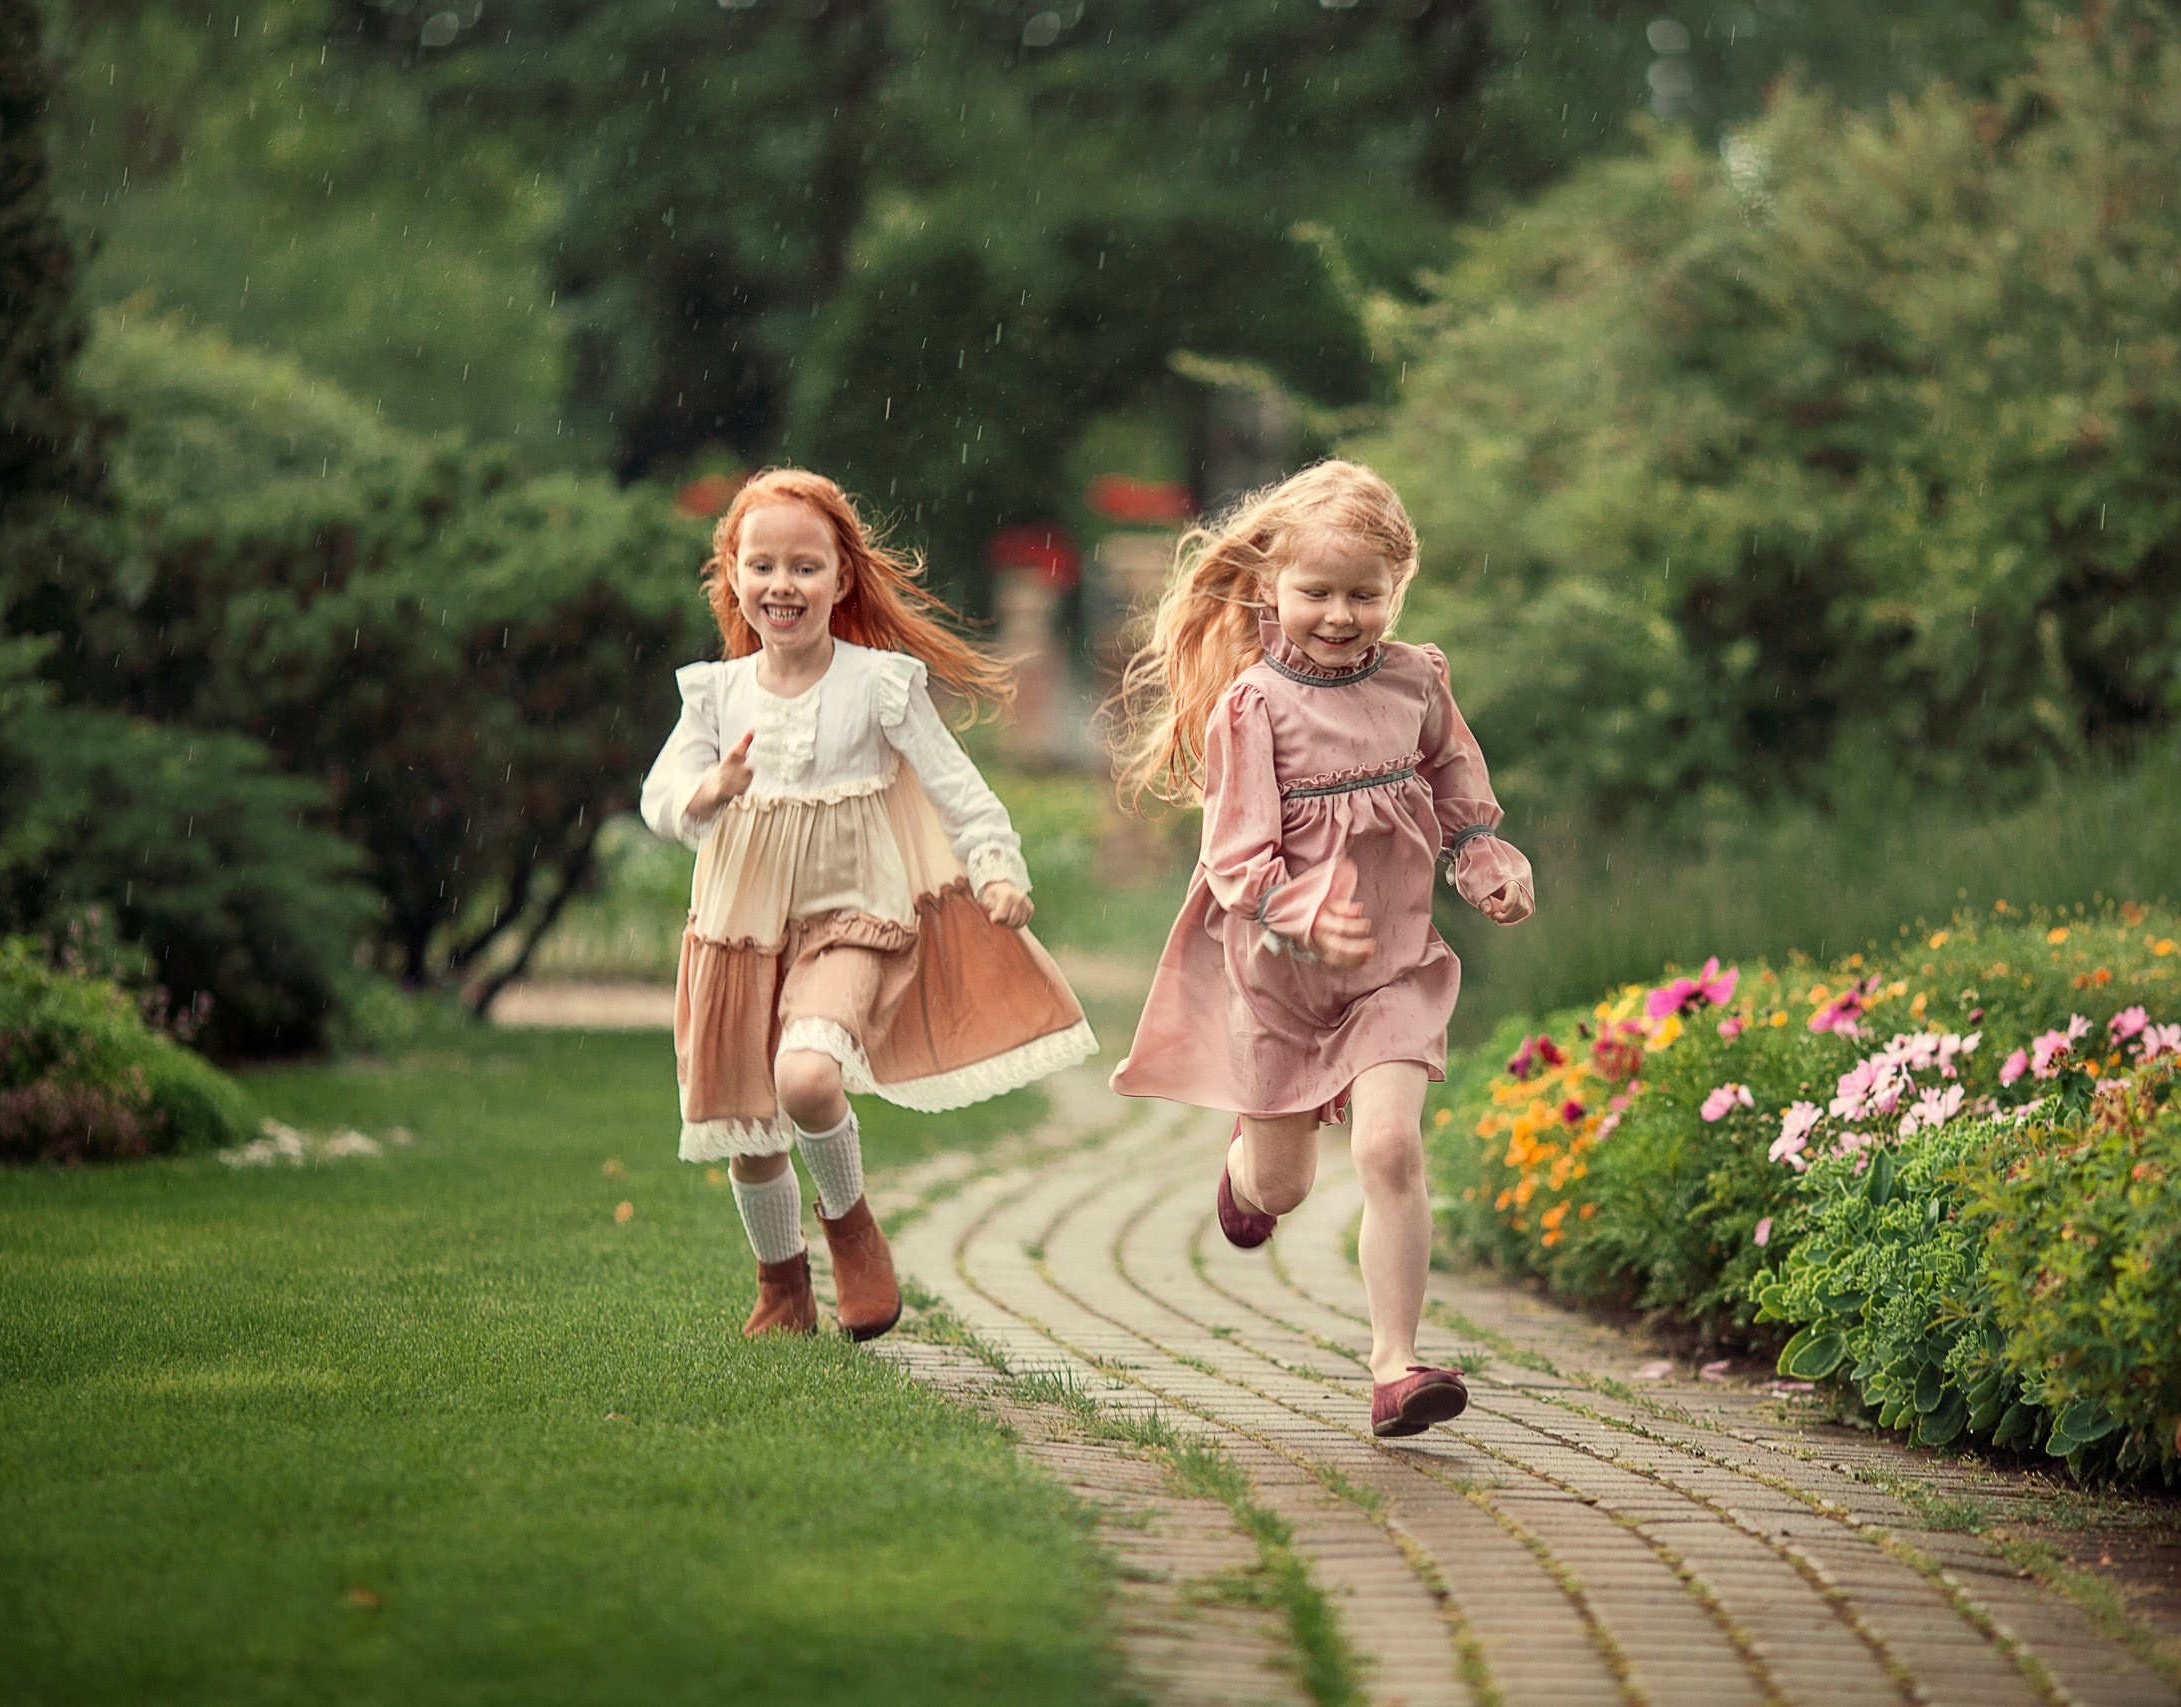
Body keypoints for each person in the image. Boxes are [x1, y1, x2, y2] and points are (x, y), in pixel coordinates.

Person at [1108, 460, 1534, 1437]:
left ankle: (1394, 1368)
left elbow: (1463, 802)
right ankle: (1245, 1175)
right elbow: (1234, 860)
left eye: (1363, 594)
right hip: (1282, 984)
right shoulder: (1252, 707)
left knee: (1389, 1150)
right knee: (1286, 1185)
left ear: (1397, 589)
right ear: (1270, 589)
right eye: (1315, 593)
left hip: (1392, 969)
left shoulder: (1415, 679)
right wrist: (1299, 910)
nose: (1338, 615)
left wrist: (1489, 870)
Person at [641, 470, 1095, 1341]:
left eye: (806, 567)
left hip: (850, 915)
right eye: (762, 564)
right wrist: (709, 788)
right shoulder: (715, 693)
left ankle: (852, 1232)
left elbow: (957, 788)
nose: (784, 585)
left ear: (842, 578)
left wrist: (996, 864)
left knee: (806, 1077)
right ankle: (782, 1288)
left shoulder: (879, 683)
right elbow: (661, 797)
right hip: (738, 930)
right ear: (732, 574)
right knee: (750, 1124)